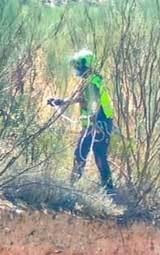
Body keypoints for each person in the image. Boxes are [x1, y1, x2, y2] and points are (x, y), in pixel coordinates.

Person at [47, 49, 116, 195]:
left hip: (99, 124)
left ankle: (74, 187)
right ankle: (107, 189)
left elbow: (95, 103)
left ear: (86, 65)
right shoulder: (89, 80)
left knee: (85, 153)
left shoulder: (93, 82)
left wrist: (93, 124)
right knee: (94, 154)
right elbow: (81, 98)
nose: (76, 68)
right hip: (97, 123)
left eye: (79, 65)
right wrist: (61, 102)